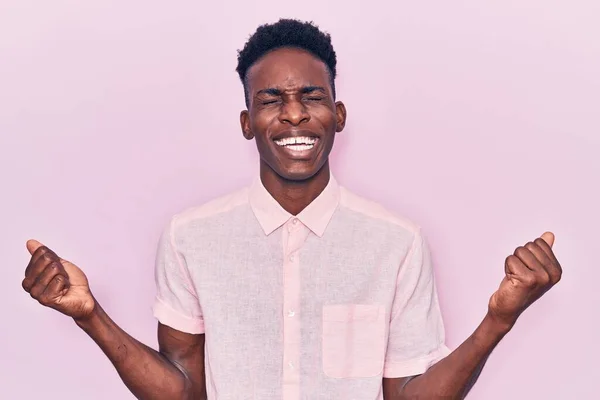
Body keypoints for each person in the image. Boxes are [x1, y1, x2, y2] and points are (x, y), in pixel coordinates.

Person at [21, 19, 562, 400]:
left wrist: (500, 320)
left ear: (339, 114)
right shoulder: (191, 236)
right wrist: (91, 317)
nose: (295, 116)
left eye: (312, 96)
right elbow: (184, 390)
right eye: (272, 101)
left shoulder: (396, 241)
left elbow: (409, 396)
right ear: (246, 122)